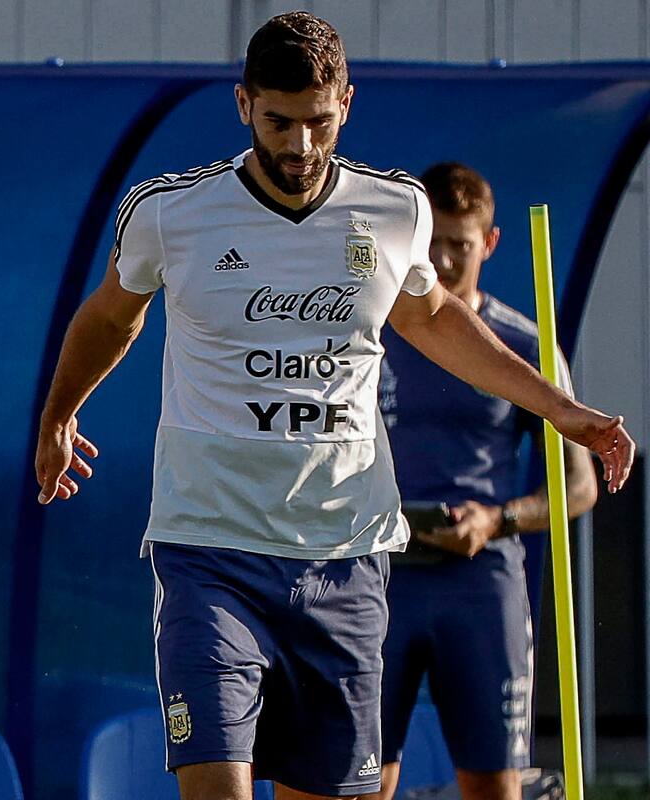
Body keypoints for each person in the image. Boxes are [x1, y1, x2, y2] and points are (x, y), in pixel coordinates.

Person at [33, 13, 632, 800]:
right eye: (279, 122)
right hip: (210, 548)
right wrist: (59, 414)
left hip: (343, 556)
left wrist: (562, 409)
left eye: (318, 122)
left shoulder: (395, 211)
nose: (300, 147)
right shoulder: (170, 212)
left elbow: (435, 316)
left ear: (346, 103)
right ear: (243, 105)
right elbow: (113, 315)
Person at [368, 163, 597, 800]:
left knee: (495, 784)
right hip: (380, 576)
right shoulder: (372, 334)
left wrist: (495, 519)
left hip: (481, 584)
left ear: (489, 243)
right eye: (431, 242)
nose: (441, 260)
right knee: (359, 781)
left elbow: (579, 488)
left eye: (460, 245)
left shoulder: (526, 345)